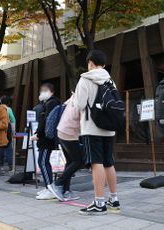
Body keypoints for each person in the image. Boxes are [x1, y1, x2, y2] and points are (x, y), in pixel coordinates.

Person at [74, 50, 120, 215]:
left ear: (90, 63)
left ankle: (99, 202)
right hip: (109, 129)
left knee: (96, 163)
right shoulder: (110, 80)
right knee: (109, 162)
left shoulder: (85, 78)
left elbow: (79, 105)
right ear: (104, 64)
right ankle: (114, 199)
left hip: (91, 128)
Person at [32, 83, 62, 200]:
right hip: (46, 138)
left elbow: (46, 121)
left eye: (45, 90)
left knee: (43, 162)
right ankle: (48, 187)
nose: (42, 92)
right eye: (41, 90)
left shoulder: (51, 103)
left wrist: (38, 134)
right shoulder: (49, 103)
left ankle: (50, 188)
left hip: (46, 138)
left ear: (52, 92)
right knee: (43, 162)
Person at [54, 95, 83, 201]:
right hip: (69, 133)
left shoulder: (73, 97)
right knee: (78, 161)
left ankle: (66, 191)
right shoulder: (82, 99)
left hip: (62, 131)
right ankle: (58, 183)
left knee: (70, 161)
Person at [1, 95, 16, 171]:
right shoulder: (8, 109)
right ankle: (10, 165)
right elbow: (13, 120)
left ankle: (0, 165)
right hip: (7, 129)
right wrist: (13, 131)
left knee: (0, 148)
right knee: (8, 148)